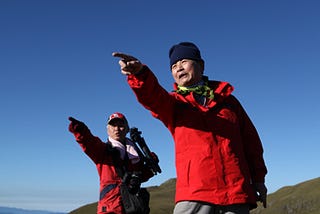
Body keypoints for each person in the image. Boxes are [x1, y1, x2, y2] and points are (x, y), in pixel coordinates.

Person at [112, 42, 268, 214]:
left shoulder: (229, 102)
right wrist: (140, 74)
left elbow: (251, 142)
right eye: (173, 66)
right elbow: (152, 97)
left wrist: (258, 179)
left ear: (201, 65)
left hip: (236, 193)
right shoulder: (174, 104)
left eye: (183, 61)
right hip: (195, 194)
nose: (178, 68)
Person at [68, 112, 158, 214]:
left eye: (120, 125)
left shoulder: (135, 153)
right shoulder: (102, 150)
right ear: (108, 129)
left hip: (133, 207)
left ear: (126, 129)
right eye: (113, 125)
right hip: (110, 208)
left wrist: (149, 169)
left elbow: (141, 177)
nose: (116, 129)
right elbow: (89, 143)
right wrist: (81, 131)